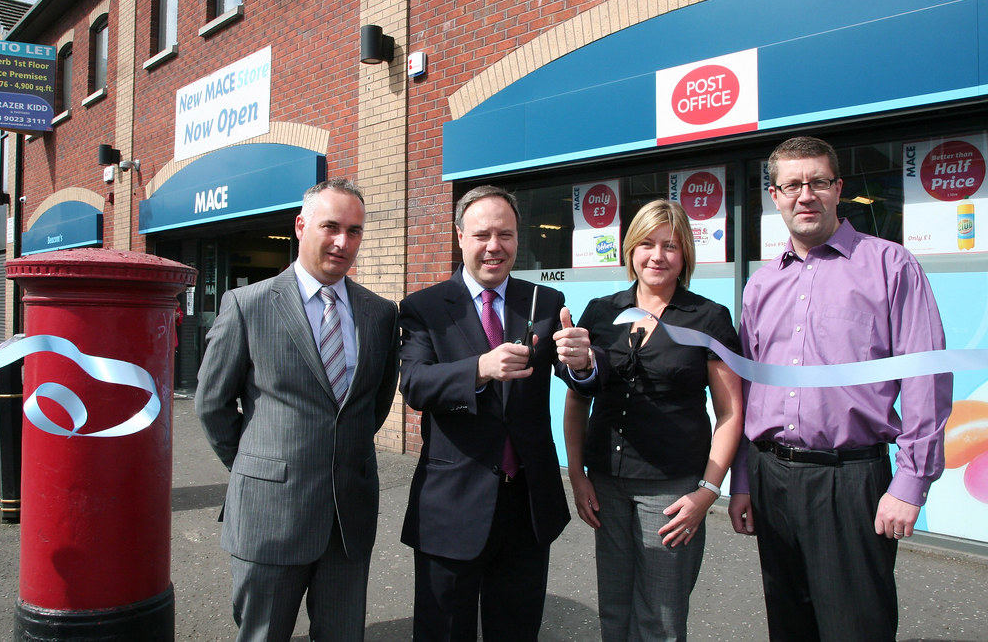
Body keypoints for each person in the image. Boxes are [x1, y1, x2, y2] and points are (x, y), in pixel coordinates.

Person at [728, 136, 953, 641]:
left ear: (838, 189)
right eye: (792, 184)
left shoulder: (890, 266)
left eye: (818, 182)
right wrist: (743, 477)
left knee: (856, 627)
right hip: (771, 478)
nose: (805, 195)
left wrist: (911, 483)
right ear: (775, 194)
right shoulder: (761, 285)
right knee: (789, 626)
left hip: (849, 481)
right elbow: (747, 389)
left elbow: (926, 377)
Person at [195, 178, 400, 642]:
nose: (342, 242)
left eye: (354, 230)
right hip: (270, 516)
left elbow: (374, 402)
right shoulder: (248, 305)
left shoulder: (381, 313)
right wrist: (257, 466)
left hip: (348, 518)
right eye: (331, 227)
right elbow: (212, 405)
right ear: (301, 226)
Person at [398, 185, 597, 641]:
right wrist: (479, 369)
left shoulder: (543, 304)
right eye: (482, 234)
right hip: (452, 505)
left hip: (526, 503)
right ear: (460, 236)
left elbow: (582, 382)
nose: (494, 246)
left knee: (517, 629)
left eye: (505, 234)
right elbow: (415, 384)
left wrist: (583, 364)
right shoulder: (424, 308)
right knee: (443, 631)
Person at [564, 199, 743, 642]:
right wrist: (578, 476)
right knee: (614, 611)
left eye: (671, 245)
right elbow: (576, 400)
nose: (657, 256)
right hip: (606, 482)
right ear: (630, 249)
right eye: (646, 244)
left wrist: (707, 491)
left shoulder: (707, 317)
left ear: (685, 256)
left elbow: (730, 412)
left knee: (660, 619)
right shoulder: (602, 313)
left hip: (672, 489)